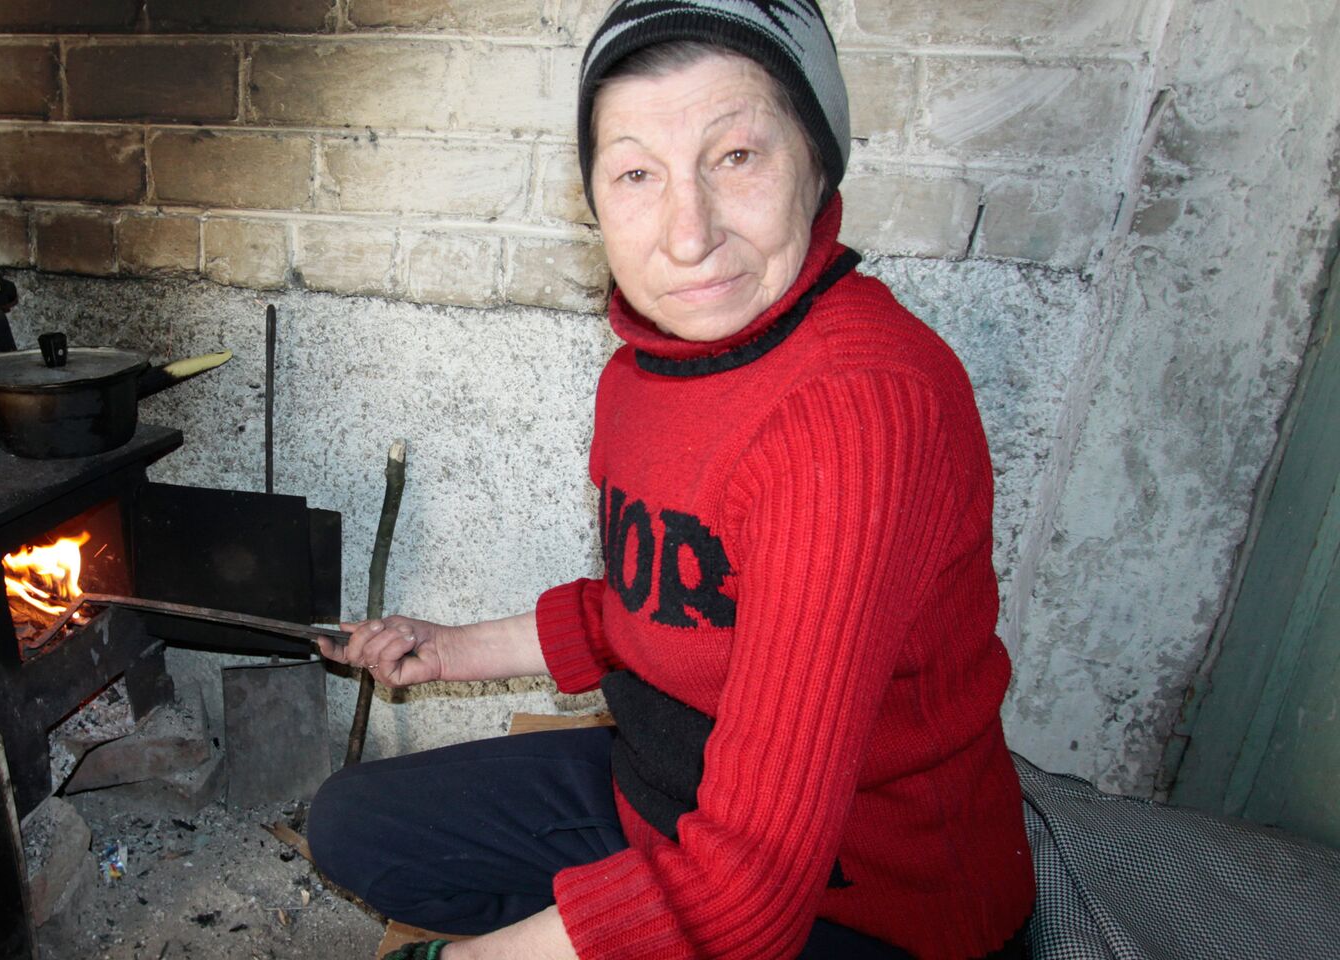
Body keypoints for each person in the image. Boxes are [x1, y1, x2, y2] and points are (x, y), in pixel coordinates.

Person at [306, 1, 1037, 958]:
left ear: (818, 166)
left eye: (738, 157)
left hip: (860, 900)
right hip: (667, 798)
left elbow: (749, 892)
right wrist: (446, 649)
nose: (687, 235)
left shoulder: (859, 410)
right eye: (637, 174)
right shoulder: (648, 370)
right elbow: (663, 603)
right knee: (358, 827)